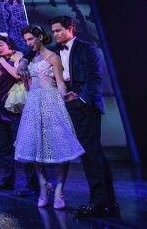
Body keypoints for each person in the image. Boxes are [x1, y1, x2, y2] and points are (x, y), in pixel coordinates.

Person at [49, 16, 117, 215]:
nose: (55, 34)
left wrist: (82, 100)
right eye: (53, 31)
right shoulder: (55, 50)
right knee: (92, 152)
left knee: (90, 153)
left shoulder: (87, 48)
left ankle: (99, 202)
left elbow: (95, 77)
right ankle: (107, 200)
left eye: (58, 30)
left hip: (84, 105)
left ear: (70, 28)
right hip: (68, 104)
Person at [15, 25, 85, 209]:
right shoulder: (31, 59)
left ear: (39, 36)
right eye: (26, 40)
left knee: (60, 146)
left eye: (31, 39)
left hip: (52, 101)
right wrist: (23, 78)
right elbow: (29, 88)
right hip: (34, 102)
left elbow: (60, 83)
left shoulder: (53, 57)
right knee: (36, 147)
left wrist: (65, 95)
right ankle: (44, 187)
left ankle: (60, 189)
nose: (28, 43)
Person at [0, 33, 39, 196]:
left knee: (23, 146)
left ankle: (32, 185)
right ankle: (8, 181)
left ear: (9, 43)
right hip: (0, 108)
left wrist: (2, 61)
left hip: (15, 108)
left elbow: (18, 74)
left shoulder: (18, 55)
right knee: (6, 148)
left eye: (1, 44)